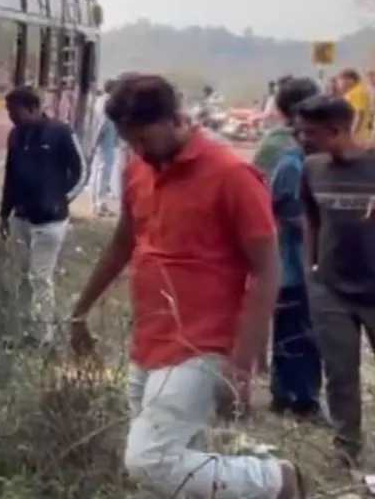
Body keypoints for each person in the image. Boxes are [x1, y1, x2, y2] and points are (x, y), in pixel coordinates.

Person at [68, 74, 307, 499]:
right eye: (128, 141)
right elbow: (124, 240)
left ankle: (277, 481)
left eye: (143, 137)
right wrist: (81, 309)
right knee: (175, 468)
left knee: (150, 460)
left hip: (202, 345)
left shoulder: (232, 176)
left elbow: (267, 270)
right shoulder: (139, 167)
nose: (137, 149)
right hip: (149, 338)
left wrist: (241, 366)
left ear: (175, 118)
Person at [295, 95, 375, 469]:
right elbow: (310, 218)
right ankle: (346, 451)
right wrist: (312, 269)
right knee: (340, 373)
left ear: (337, 130)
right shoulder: (311, 168)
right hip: (330, 288)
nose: (301, 138)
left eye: (310, 132)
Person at [0, 85, 86, 343]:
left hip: (50, 221)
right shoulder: (15, 136)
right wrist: (5, 213)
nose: (11, 118)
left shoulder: (60, 132)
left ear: (34, 108)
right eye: (9, 113)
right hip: (21, 218)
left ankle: (43, 334)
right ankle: (26, 329)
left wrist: (60, 199)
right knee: (22, 277)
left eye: (15, 112)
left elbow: (81, 171)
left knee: (40, 276)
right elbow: (10, 176)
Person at [266, 77, 323, 419]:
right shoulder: (291, 164)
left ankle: (295, 396)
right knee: (296, 336)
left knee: (301, 335)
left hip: (301, 266)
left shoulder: (302, 160)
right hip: (293, 266)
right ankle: (296, 399)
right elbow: (295, 219)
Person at [90, 79, 121, 217]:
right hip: (104, 144)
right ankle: (99, 205)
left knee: (100, 174)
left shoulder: (100, 101)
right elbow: (101, 124)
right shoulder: (106, 103)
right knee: (102, 174)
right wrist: (95, 142)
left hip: (106, 143)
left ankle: (99, 203)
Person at [337, 67, 373, 145]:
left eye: (340, 81)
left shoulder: (356, 92)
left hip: (358, 135)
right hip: (361, 134)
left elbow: (359, 114)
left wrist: (352, 132)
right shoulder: (355, 91)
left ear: (350, 80)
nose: (339, 85)